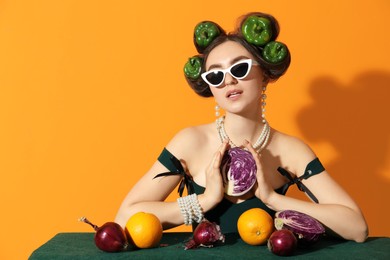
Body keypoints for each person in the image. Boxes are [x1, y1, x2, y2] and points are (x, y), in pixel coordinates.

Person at [115, 12, 368, 242]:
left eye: (240, 67)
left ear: (265, 75)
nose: (229, 80)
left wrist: (273, 198)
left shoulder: (290, 150)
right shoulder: (190, 142)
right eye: (215, 75)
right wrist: (205, 200)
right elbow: (124, 218)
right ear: (211, 87)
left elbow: (356, 228)